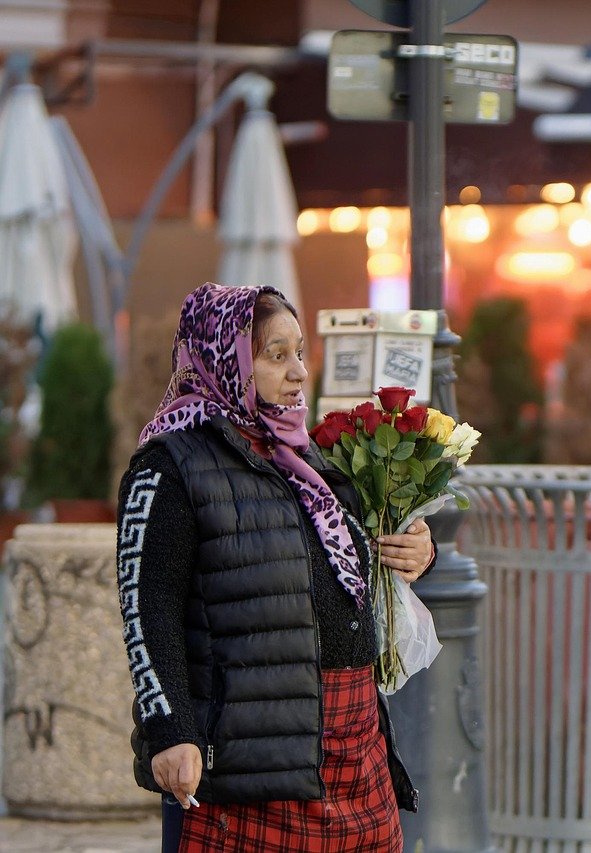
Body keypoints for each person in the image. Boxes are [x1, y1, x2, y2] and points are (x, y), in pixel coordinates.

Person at [115, 282, 437, 851]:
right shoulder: (170, 466)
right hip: (249, 763)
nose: (298, 372)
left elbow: (356, 564)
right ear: (225, 360)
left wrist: (418, 553)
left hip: (354, 746)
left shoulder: (308, 457)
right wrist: (169, 730)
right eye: (275, 354)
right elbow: (147, 611)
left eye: (300, 352)